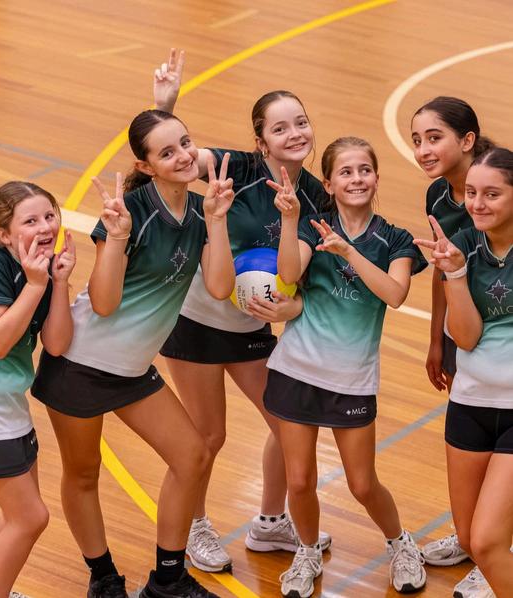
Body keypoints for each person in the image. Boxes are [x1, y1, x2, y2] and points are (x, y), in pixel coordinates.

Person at [31, 110, 235, 598]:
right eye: (167, 152)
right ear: (146, 166)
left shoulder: (201, 210)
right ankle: (103, 577)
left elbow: (220, 287)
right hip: (80, 365)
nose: (183, 156)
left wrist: (217, 221)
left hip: (132, 370)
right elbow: (103, 303)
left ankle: (167, 580)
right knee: (83, 473)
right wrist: (118, 238)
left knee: (192, 455)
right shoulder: (129, 213)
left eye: (185, 142)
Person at [153, 49, 331, 573]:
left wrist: (291, 304)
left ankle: (271, 522)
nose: (295, 133)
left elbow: (306, 273)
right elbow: (174, 159)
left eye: (301, 122)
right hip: (196, 321)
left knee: (287, 423)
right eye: (280, 128)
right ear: (261, 141)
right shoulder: (236, 167)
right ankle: (194, 525)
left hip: (251, 325)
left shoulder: (316, 197)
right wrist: (165, 106)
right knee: (208, 436)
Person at [264, 136, 428, 597]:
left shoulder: (395, 240)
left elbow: (395, 294)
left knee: (361, 483)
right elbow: (289, 274)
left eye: (364, 170)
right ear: (329, 183)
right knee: (299, 480)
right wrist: (290, 219)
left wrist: (349, 252)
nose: (357, 179)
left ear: (376, 177)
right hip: (296, 370)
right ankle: (307, 550)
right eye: (346, 172)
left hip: (351, 381)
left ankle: (401, 544)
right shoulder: (312, 227)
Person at [414, 147, 513, 598]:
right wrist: (454, 274)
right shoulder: (464, 246)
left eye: (492, 194)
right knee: (473, 541)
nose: (477, 203)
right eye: (471, 193)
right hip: (470, 404)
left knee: (489, 541)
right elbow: (467, 338)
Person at [0, 181, 75, 598]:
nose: (45, 226)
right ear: (4, 234)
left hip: (12, 405)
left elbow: (57, 344)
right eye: (30, 221)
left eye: (49, 216)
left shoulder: (40, 268)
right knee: (30, 518)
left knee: (12, 518)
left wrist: (58, 282)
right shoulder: (0, 266)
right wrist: (34, 286)